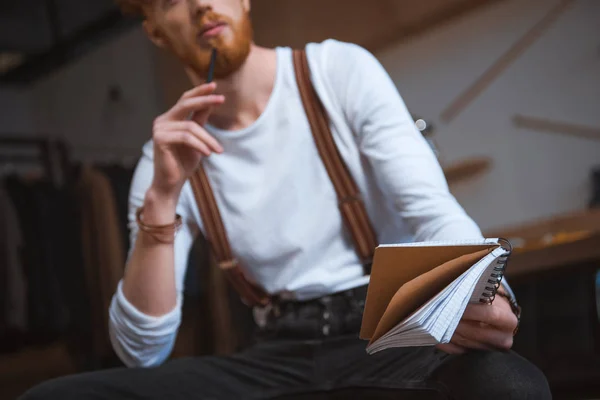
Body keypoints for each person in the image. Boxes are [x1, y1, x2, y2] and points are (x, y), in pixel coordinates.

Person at [22, 0, 552, 399]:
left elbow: (432, 211)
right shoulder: (162, 160)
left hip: (390, 329)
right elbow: (143, 351)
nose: (203, 3)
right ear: (155, 29)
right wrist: (162, 199)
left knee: (511, 386)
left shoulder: (337, 72)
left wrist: (480, 291)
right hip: (277, 350)